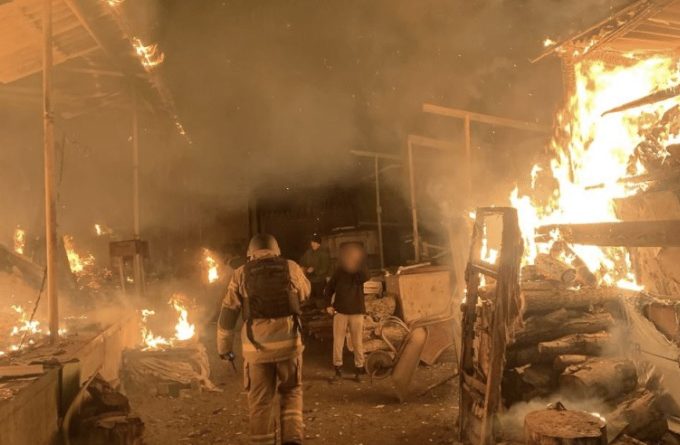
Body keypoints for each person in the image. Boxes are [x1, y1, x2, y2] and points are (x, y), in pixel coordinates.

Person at [217, 233, 310, 445]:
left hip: (256, 350)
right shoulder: (291, 267)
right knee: (291, 393)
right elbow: (305, 293)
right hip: (289, 346)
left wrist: (224, 348)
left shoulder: (240, 274)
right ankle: (292, 440)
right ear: (276, 251)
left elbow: (228, 313)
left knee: (260, 402)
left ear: (251, 254)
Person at [324, 242, 368, 382]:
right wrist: (327, 305)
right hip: (340, 312)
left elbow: (366, 276)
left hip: (356, 312)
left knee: (357, 342)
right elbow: (328, 289)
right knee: (338, 342)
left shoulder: (359, 272)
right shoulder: (338, 272)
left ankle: (359, 369)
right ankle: (338, 370)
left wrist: (358, 262)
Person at [299, 234, 330, 306]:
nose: (312, 244)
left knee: (320, 300)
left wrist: (314, 270)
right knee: (310, 300)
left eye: (315, 242)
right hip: (309, 281)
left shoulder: (324, 254)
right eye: (312, 242)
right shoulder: (308, 252)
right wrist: (303, 267)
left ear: (319, 244)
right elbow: (302, 261)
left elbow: (325, 268)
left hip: (320, 281)